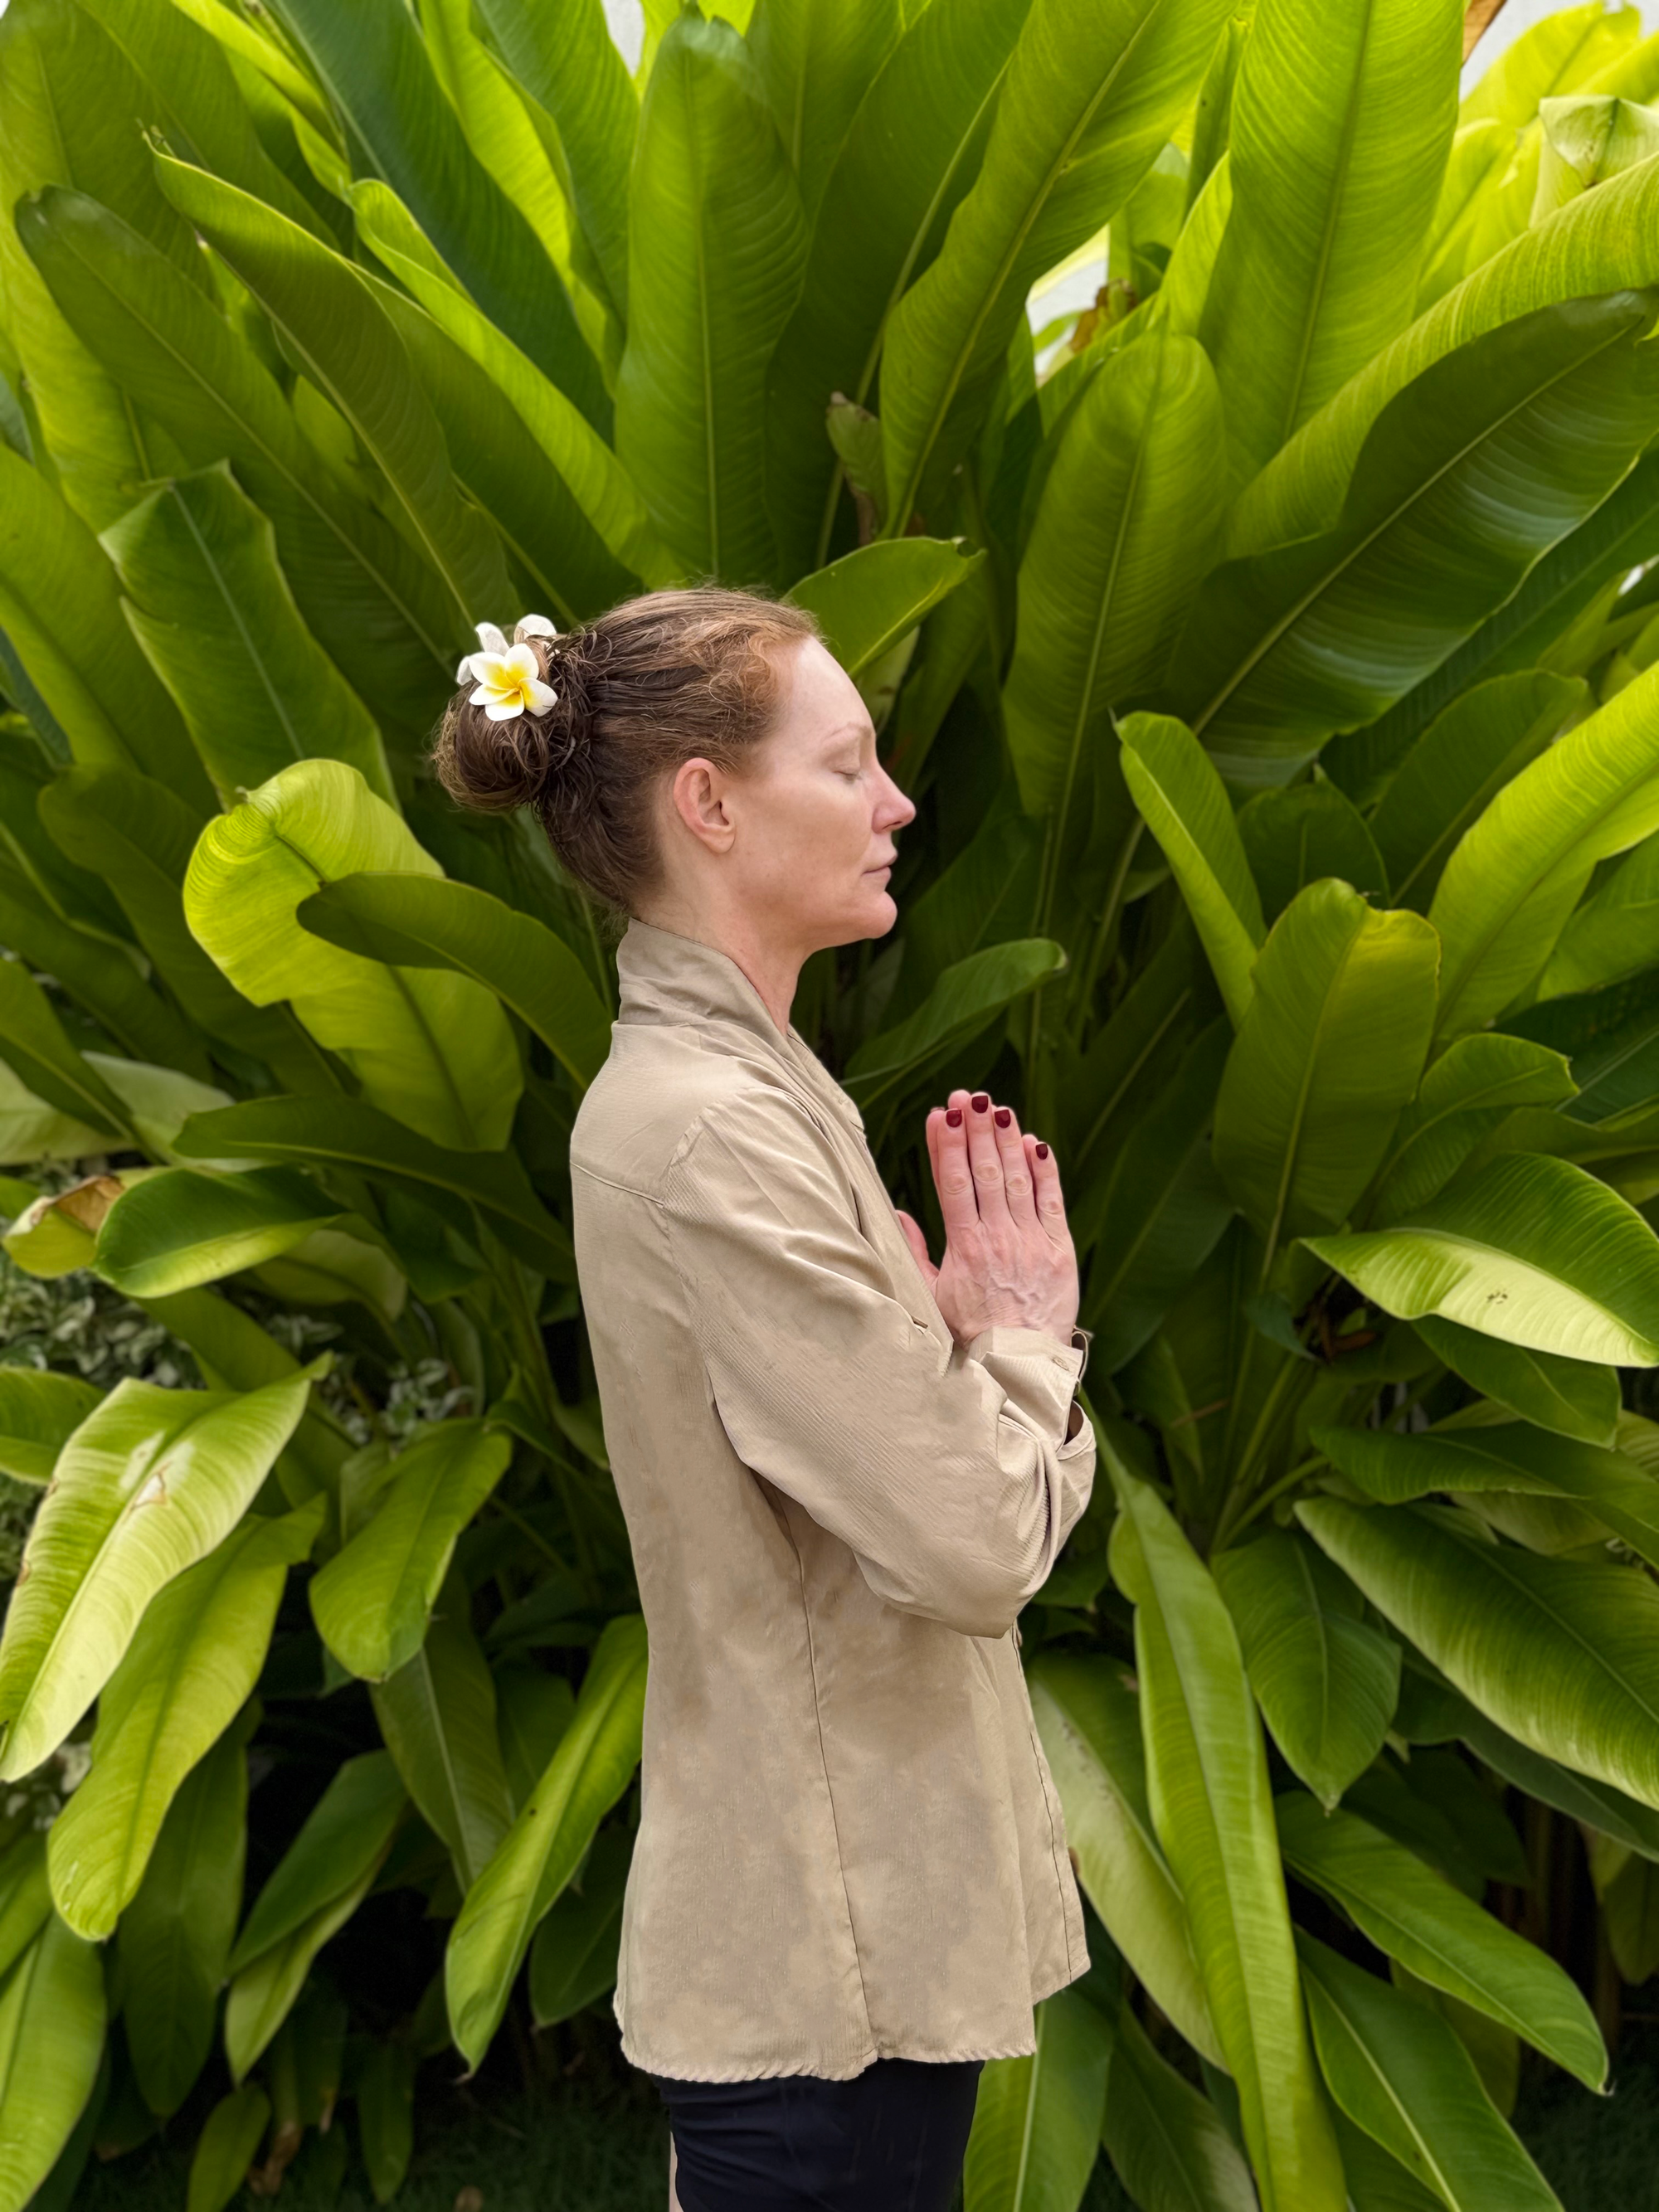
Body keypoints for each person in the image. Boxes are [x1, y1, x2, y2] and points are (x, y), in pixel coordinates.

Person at [432, 590, 1097, 2212]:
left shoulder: (743, 1097)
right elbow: (972, 1547)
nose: (896, 805)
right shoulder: (710, 1132)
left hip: (832, 1951)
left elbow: (844, 1490)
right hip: (828, 1965)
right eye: (850, 761)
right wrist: (1017, 1340)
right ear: (709, 804)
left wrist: (926, 1351)